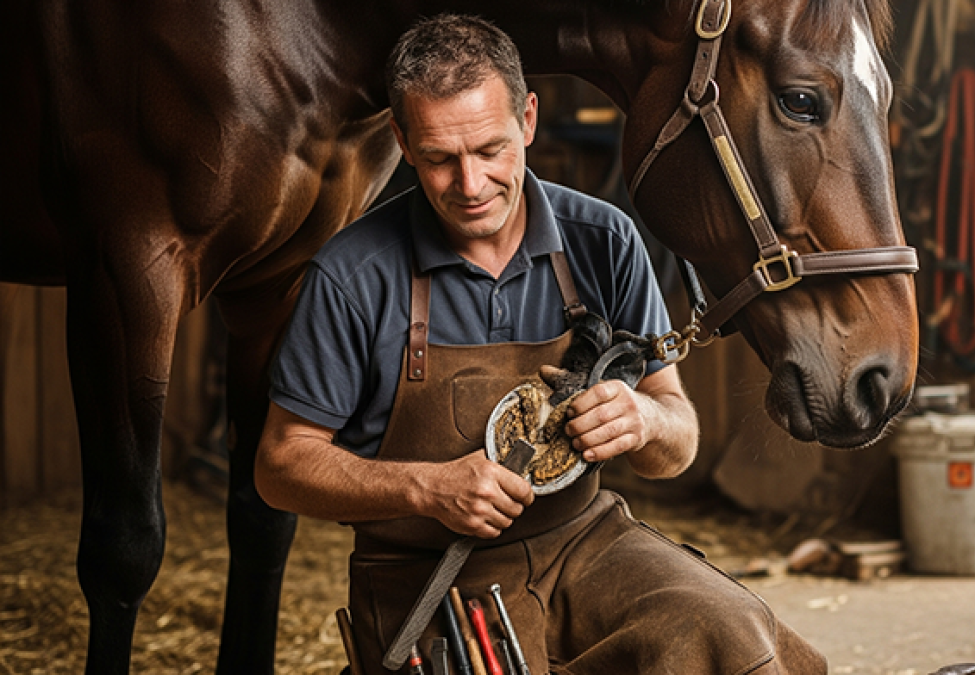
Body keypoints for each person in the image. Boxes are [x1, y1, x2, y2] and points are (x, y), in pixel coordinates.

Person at [256, 13, 826, 675]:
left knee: (728, 627)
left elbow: (677, 441)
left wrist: (644, 419)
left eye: (490, 149)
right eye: (440, 158)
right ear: (402, 142)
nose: (470, 186)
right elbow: (280, 466)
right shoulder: (352, 276)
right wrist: (424, 487)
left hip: (588, 545)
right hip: (428, 576)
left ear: (527, 120)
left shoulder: (603, 239)